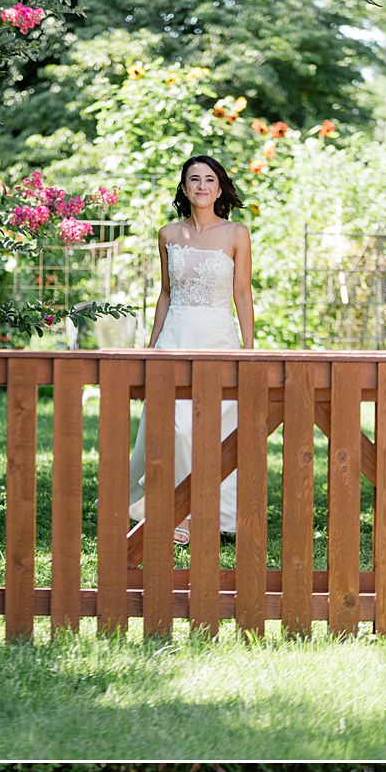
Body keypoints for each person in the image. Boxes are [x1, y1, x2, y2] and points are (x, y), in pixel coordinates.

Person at [127, 154, 254, 546]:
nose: (201, 185)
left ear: (220, 188)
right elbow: (165, 294)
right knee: (174, 427)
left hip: (218, 336)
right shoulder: (168, 234)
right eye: (194, 179)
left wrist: (249, 349)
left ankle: (218, 517)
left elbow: (243, 293)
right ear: (184, 188)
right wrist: (151, 347)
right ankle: (173, 512)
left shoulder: (237, 234)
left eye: (209, 179)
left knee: (216, 428)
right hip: (176, 337)